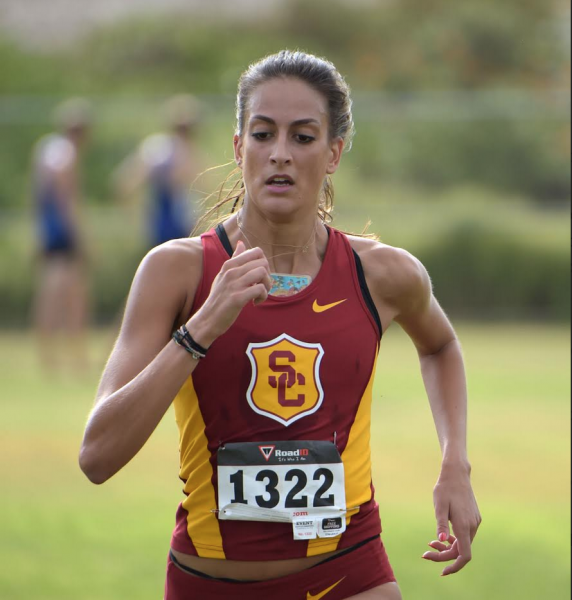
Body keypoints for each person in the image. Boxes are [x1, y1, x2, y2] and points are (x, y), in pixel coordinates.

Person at [79, 50, 481, 599]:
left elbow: (440, 346)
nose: (280, 155)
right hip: (210, 583)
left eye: (303, 137)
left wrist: (454, 462)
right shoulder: (176, 271)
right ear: (239, 147)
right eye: (263, 134)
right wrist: (200, 330)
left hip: (351, 572)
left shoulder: (383, 273)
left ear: (334, 151)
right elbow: (97, 457)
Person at [31, 97, 92, 372]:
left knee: (53, 291)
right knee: (68, 293)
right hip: (62, 232)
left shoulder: (47, 147)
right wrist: (77, 233)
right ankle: (72, 355)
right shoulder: (67, 152)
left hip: (48, 230)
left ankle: (50, 355)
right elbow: (65, 195)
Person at [112, 94, 203, 248]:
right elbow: (127, 181)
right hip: (168, 219)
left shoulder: (187, 151)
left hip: (181, 221)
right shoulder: (161, 150)